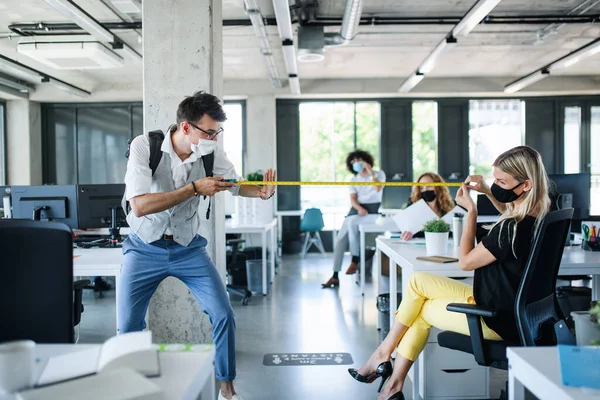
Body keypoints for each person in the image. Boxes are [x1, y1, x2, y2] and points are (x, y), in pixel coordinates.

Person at [348, 146, 550, 400]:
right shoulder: (540, 215)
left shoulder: (510, 229)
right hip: (516, 307)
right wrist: (487, 190)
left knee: (420, 310)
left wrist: (471, 213)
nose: (495, 185)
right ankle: (387, 369)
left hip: (496, 318)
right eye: (494, 179)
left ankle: (388, 376)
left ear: (526, 185)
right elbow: (510, 213)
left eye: (501, 181)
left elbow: (465, 262)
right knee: (418, 281)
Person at [120, 91, 276, 400]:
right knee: (127, 325)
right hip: (143, 247)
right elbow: (138, 206)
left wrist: (259, 192)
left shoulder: (210, 154)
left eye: (218, 132)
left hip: (188, 248)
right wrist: (193, 188)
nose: (215, 138)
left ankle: (227, 391)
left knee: (223, 315)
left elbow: (234, 185)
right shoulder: (144, 147)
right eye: (209, 131)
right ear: (186, 127)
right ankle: (132, 388)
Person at [322, 150, 386, 288]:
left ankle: (354, 259)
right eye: (354, 161)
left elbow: (378, 188)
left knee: (351, 223)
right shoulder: (354, 180)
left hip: (372, 212)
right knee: (340, 240)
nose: (356, 163)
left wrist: (371, 172)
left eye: (359, 160)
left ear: (366, 160)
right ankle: (335, 275)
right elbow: (353, 199)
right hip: (357, 211)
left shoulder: (379, 174)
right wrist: (359, 208)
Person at [400, 172, 456, 241]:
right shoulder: (413, 205)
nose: (425, 190)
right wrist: (406, 234)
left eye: (429, 186)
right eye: (421, 188)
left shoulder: (450, 206)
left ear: (438, 187)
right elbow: (406, 229)